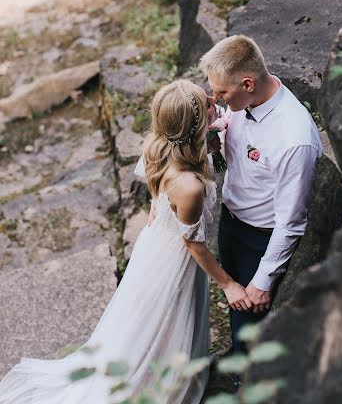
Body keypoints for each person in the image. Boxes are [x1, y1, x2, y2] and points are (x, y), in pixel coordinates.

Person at [0, 79, 251, 404]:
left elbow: (157, 185)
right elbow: (194, 245)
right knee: (167, 316)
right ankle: (158, 380)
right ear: (196, 123)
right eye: (207, 101)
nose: (213, 99)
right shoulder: (189, 186)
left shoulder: (160, 144)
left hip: (154, 241)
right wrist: (228, 284)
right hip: (174, 256)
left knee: (145, 317)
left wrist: (159, 204)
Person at [199, 35, 323, 354]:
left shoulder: (294, 140)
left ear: (248, 83)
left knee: (254, 316)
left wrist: (263, 280)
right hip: (232, 223)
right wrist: (218, 129)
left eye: (222, 92)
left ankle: (247, 381)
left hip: (261, 240)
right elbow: (233, 125)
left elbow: (291, 221)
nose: (216, 98)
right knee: (235, 301)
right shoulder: (242, 102)